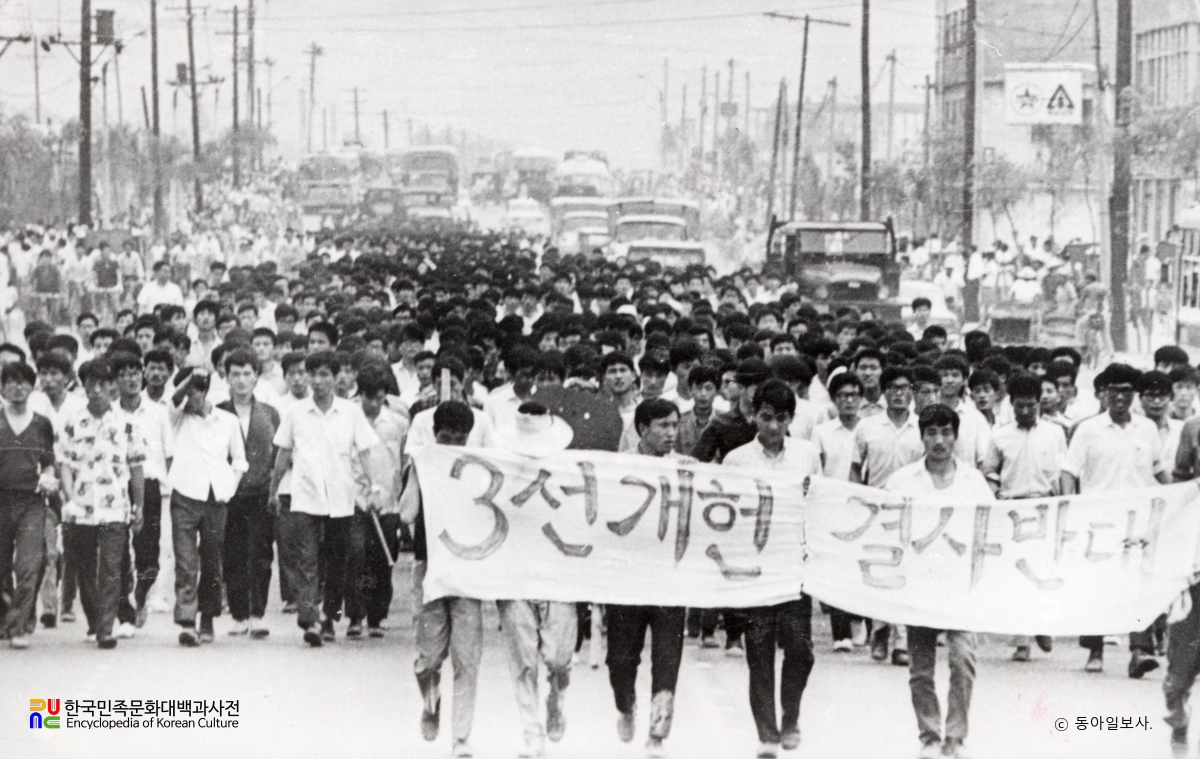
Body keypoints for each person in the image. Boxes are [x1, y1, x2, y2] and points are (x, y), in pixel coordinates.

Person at [885, 404, 994, 759]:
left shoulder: (972, 481)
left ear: (956, 436)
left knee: (963, 660)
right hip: (919, 586)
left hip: (960, 587)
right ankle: (929, 735)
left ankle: (956, 736)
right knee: (920, 669)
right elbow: (886, 527)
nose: (939, 440)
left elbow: (991, 528)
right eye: (931, 433)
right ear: (921, 437)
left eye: (946, 432)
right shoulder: (903, 481)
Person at [725, 381, 820, 759]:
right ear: (753, 415)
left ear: (791, 419)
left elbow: (817, 502)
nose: (774, 427)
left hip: (795, 566)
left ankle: (790, 717)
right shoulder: (736, 460)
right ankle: (767, 733)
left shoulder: (808, 455)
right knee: (759, 651)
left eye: (782, 419)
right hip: (756, 568)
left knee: (800, 649)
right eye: (766, 417)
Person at [1062, 363, 1170, 676]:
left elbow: (1159, 470)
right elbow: (1069, 472)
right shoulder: (1088, 429)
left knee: (1139, 585)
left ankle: (1139, 652)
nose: (1121, 397)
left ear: (1134, 394)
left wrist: (1185, 495)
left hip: (1138, 521)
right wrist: (1072, 507)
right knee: (1098, 584)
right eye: (1114, 390)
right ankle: (1094, 651)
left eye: (1126, 391)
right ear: (1104, 393)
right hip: (1099, 521)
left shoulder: (1146, 429)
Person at [269, 351, 380, 646]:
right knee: (307, 559)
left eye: (324, 375)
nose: (317, 381)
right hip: (304, 496)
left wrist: (374, 488)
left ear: (335, 378)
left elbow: (366, 451)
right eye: (312, 374)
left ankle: (331, 616)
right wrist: (273, 489)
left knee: (337, 561)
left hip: (341, 497)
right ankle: (311, 620)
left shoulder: (350, 412)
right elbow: (282, 452)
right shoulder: (295, 412)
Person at [492, 402, 578, 758]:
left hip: (558, 576)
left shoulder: (570, 473)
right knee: (523, 659)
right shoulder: (499, 474)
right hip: (515, 577)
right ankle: (531, 729)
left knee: (559, 659)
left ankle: (556, 698)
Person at [606, 398, 689, 758]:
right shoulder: (616, 467)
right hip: (626, 579)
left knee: (667, 657)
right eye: (663, 426)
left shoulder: (688, 470)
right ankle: (626, 705)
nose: (671, 434)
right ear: (642, 429)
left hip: (670, 578)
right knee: (621, 660)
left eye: (675, 426)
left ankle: (658, 733)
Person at [400, 401, 482, 759]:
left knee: (467, 660)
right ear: (434, 436)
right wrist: (418, 472)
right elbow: (406, 514)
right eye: (446, 438)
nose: (452, 445)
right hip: (430, 571)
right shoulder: (420, 463)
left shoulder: (480, 469)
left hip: (467, 575)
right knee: (429, 659)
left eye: (460, 439)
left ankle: (461, 736)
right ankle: (430, 704)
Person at [60, 359, 145, 649]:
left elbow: (136, 467)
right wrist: (70, 499)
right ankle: (95, 619)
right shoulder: (72, 422)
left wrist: (140, 506)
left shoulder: (126, 425)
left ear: (111, 386)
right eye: (89, 385)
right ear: (83, 386)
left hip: (115, 508)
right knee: (85, 566)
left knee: (111, 567)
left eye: (101, 384)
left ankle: (106, 628)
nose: (95, 391)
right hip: (81, 508)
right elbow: (65, 466)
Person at [981, 373, 1065, 661]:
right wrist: (996, 497)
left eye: (1031, 405)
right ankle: (1021, 641)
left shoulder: (1055, 434)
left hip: (1044, 508)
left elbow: (1062, 473)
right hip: (1013, 511)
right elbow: (990, 473)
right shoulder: (1000, 435)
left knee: (1044, 570)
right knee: (1018, 573)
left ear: (1039, 403)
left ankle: (1041, 624)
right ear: (1012, 404)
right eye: (1020, 406)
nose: (1026, 411)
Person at [167, 365, 248, 646]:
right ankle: (187, 620)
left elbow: (239, 459)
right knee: (186, 561)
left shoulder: (227, 421)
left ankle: (207, 618)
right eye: (187, 392)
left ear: (205, 391)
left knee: (212, 561)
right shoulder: (178, 417)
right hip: (185, 495)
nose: (191, 398)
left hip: (216, 498)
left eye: (196, 391)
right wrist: (188, 379)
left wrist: (230, 486)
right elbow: (175, 401)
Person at [851, 366, 923, 666]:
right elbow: (856, 469)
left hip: (913, 509)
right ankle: (879, 632)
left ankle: (902, 640)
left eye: (905, 388)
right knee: (880, 572)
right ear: (883, 392)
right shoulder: (866, 426)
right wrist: (856, 502)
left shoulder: (922, 426)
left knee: (906, 573)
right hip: (877, 509)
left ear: (912, 392)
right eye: (892, 388)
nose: (899, 393)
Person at [216, 349, 280, 639]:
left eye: (246, 373)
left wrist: (274, 490)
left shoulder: (270, 413)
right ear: (226, 377)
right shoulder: (217, 411)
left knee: (261, 554)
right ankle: (239, 615)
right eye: (235, 374)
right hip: (228, 495)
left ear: (256, 376)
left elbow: (278, 454)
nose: (241, 380)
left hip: (260, 492)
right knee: (232, 554)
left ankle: (257, 614)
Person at [345, 364, 407, 638]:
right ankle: (355, 616)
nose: (372, 404)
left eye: (378, 398)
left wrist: (392, 495)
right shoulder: (347, 418)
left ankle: (377, 615)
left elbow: (402, 463)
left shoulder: (398, 423)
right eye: (367, 397)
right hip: (354, 500)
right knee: (356, 555)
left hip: (387, 502)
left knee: (382, 558)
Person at [0, 361, 57, 648]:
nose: (17, 387)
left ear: (32, 386)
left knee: (28, 565)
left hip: (32, 502)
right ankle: (5, 619)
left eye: (23, 382)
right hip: (1, 501)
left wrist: (48, 478)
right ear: (1, 387)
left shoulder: (42, 424)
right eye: (10, 381)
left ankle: (19, 626)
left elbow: (48, 464)